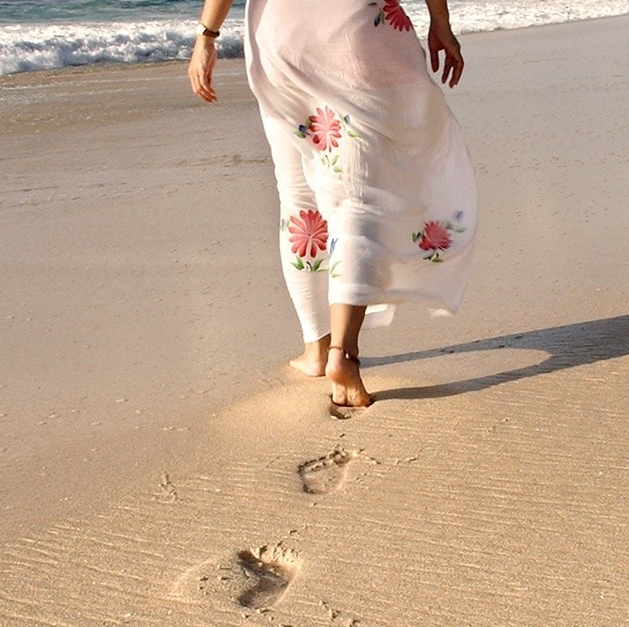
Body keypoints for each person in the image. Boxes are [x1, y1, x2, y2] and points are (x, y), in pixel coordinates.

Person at [189, 0, 477, 409]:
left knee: (298, 198)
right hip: (357, 36)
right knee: (360, 198)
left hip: (281, 41)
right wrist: (440, 22)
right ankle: (344, 354)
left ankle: (316, 349)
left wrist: (207, 37)